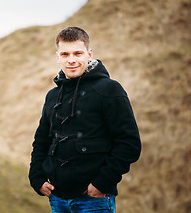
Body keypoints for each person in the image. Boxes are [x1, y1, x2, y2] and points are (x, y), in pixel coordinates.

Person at [28, 27, 141, 213]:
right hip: (58, 199)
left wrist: (102, 183)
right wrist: (37, 179)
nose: (71, 60)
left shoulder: (109, 90)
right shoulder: (52, 96)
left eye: (77, 53)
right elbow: (41, 142)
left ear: (89, 54)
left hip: (94, 199)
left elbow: (129, 143)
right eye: (65, 54)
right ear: (58, 57)